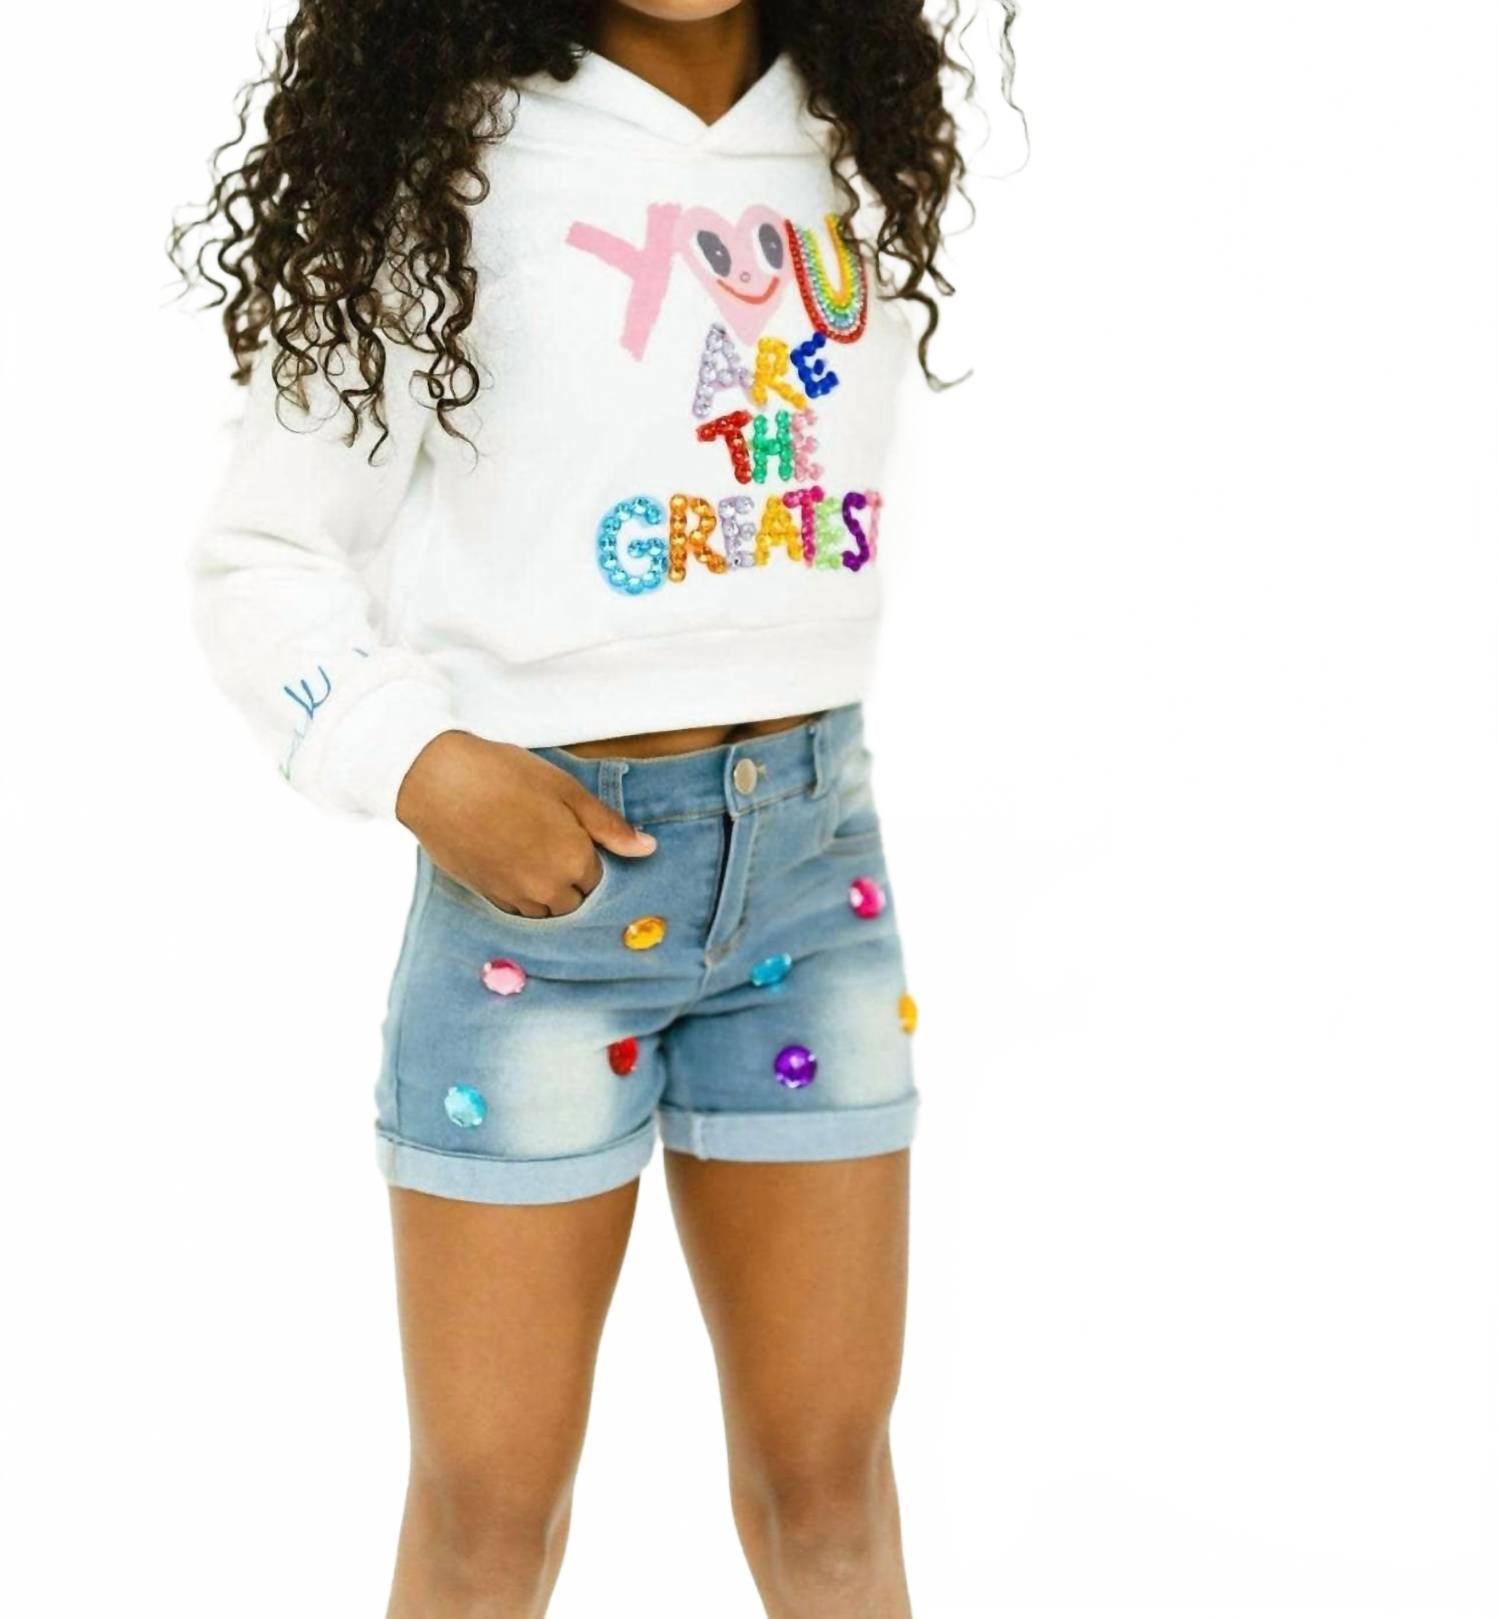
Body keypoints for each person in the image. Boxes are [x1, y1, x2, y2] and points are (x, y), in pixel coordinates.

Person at [174, 2, 1011, 1613]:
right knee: (491, 1518)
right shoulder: (447, 153)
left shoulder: (846, 127)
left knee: (831, 1487)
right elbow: (260, 556)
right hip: (538, 914)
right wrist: (418, 762)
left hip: (815, 873)